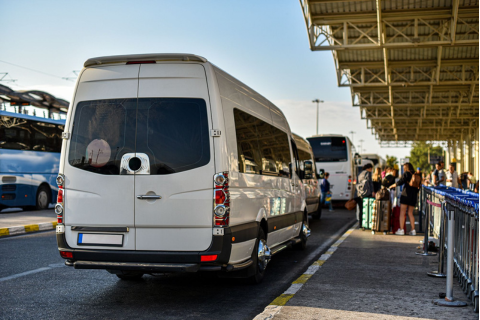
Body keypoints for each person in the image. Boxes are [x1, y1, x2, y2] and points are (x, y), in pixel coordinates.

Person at [388, 162, 419, 235]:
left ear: (406, 168)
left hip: (406, 195)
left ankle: (401, 230)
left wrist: (392, 186)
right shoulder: (416, 174)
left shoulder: (406, 174)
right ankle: (413, 230)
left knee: (402, 213)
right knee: (410, 213)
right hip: (413, 196)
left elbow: (400, 182)